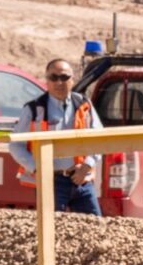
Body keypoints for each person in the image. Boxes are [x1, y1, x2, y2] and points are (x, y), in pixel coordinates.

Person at [9, 58, 103, 216]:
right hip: (51, 182)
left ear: (73, 80)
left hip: (82, 180)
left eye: (64, 77)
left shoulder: (84, 104)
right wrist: (37, 169)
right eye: (54, 77)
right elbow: (15, 145)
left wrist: (87, 165)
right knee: (52, 230)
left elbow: (100, 138)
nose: (59, 82)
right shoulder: (34, 109)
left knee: (95, 229)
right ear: (46, 81)